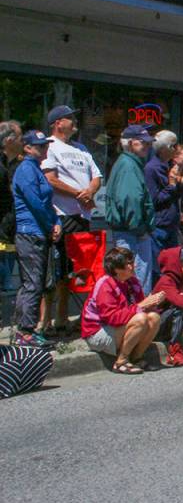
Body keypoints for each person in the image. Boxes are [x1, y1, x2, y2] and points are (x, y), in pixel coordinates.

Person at [41, 105, 102, 334]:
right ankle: (46, 320)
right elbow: (51, 179)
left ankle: (65, 317)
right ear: (58, 123)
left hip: (82, 216)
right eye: (70, 118)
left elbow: (96, 176)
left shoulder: (82, 148)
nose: (74, 121)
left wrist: (90, 191)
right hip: (61, 216)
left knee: (76, 271)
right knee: (56, 269)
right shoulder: (49, 146)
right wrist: (79, 194)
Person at [80, 246, 165, 374]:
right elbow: (112, 318)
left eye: (131, 262)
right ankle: (121, 361)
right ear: (116, 270)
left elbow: (139, 308)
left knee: (154, 317)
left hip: (119, 327)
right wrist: (142, 306)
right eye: (127, 264)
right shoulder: (105, 285)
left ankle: (136, 357)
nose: (132, 266)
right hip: (98, 332)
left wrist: (152, 303)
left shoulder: (133, 282)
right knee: (140, 319)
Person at [12, 131, 60, 348]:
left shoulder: (36, 170)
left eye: (45, 145)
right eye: (39, 146)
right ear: (27, 148)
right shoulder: (25, 170)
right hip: (30, 232)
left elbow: (47, 203)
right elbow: (35, 203)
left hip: (39, 232)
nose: (44, 149)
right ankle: (26, 332)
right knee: (33, 283)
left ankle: (25, 329)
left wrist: (57, 221)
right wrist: (51, 225)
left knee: (36, 281)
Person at [106, 125, 158, 293]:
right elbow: (131, 200)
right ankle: (138, 318)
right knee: (137, 284)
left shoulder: (129, 163)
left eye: (149, 143)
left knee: (131, 282)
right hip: (132, 234)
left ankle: (135, 316)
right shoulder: (129, 165)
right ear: (129, 143)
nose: (147, 146)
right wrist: (140, 228)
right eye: (143, 142)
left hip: (130, 232)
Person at [145, 130, 183, 252]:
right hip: (159, 227)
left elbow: (174, 196)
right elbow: (155, 200)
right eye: (174, 146)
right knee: (159, 266)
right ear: (167, 148)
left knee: (171, 266)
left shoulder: (168, 166)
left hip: (171, 225)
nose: (177, 149)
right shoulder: (152, 168)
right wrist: (172, 185)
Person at [0, 121, 24, 291]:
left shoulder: (11, 164)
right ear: (8, 140)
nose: (23, 141)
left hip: (9, 235)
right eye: (20, 136)